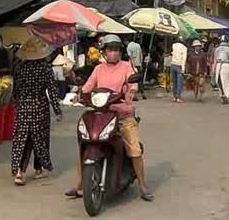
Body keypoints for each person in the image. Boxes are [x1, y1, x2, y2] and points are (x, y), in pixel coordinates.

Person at [65, 35, 153, 201]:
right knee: (85, 143)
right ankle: (80, 184)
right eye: (110, 50)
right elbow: (88, 86)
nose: (114, 53)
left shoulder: (126, 67)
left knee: (134, 149)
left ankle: (142, 186)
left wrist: (131, 93)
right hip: (102, 113)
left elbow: (133, 85)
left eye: (117, 50)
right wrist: (80, 95)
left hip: (123, 115)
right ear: (104, 52)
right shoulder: (99, 69)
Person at [11, 31, 63, 184]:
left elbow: (15, 90)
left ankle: (19, 172)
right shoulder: (45, 68)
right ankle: (38, 169)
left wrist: (17, 104)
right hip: (40, 107)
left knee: (22, 138)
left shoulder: (19, 68)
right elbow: (52, 91)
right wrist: (57, 111)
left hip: (23, 107)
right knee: (39, 138)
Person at [213, 36, 229, 104]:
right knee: (227, 81)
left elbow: (215, 59)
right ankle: (226, 95)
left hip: (218, 65)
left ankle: (222, 93)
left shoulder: (217, 49)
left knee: (219, 81)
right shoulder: (228, 49)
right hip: (226, 65)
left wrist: (213, 70)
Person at [169, 36, 188, 103]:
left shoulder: (173, 45)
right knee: (179, 83)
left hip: (173, 64)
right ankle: (178, 98)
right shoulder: (184, 48)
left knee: (174, 82)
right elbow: (184, 59)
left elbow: (171, 54)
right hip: (179, 66)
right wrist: (183, 69)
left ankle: (174, 97)